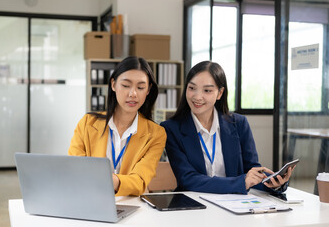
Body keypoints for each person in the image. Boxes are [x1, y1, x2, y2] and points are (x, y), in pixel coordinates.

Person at [161, 61, 293, 194]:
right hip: (195, 206)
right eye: (192, 88)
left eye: (207, 90)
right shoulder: (171, 129)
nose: (197, 96)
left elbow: (251, 172)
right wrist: (241, 182)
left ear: (220, 93)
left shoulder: (239, 123)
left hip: (234, 205)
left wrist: (273, 183)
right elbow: (188, 179)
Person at [69, 56, 166, 196]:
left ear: (149, 90)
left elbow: (139, 181)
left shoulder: (156, 134)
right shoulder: (87, 123)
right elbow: (75, 169)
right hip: (91, 199)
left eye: (140, 87)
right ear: (113, 85)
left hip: (133, 205)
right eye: (126, 85)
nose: (133, 94)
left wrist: (107, 179)